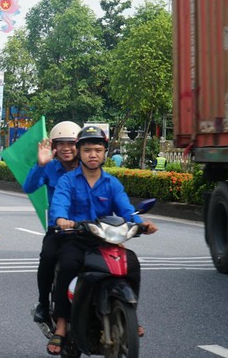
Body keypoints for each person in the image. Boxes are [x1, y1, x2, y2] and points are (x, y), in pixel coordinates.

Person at [46, 126, 158, 355]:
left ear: (105, 153)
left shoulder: (112, 183)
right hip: (75, 238)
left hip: (105, 240)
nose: (93, 154)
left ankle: (129, 312)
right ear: (79, 152)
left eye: (98, 150)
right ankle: (61, 324)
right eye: (87, 150)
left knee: (132, 263)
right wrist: (61, 219)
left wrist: (140, 223)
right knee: (68, 265)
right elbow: (59, 205)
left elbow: (127, 210)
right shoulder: (67, 180)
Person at [22, 121, 81, 325]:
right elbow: (29, 187)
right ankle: (43, 305)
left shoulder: (89, 167)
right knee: (47, 257)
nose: (66, 149)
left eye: (71, 143)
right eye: (61, 144)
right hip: (59, 230)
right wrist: (41, 165)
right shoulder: (50, 167)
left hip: (87, 229)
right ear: (54, 147)